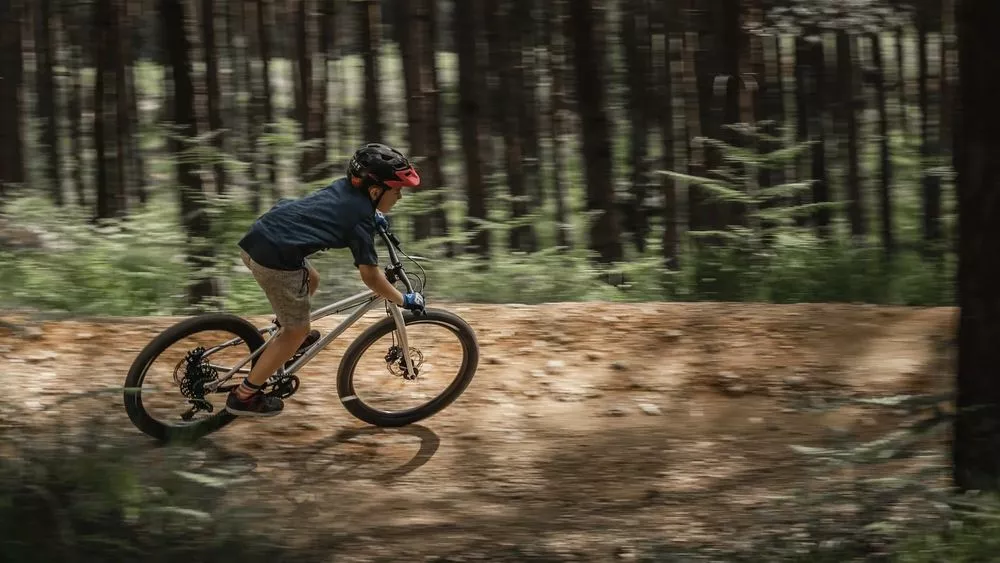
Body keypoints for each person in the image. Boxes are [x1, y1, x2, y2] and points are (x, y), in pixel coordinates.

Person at [228, 142, 427, 417]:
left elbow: (337, 210)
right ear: (375, 191)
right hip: (274, 260)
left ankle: (286, 333)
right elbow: (371, 276)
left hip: (259, 238)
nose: (400, 197)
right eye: (397, 190)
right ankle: (245, 396)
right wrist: (403, 299)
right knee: (297, 330)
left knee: (311, 279)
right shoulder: (360, 219)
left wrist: (374, 216)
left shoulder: (345, 189)